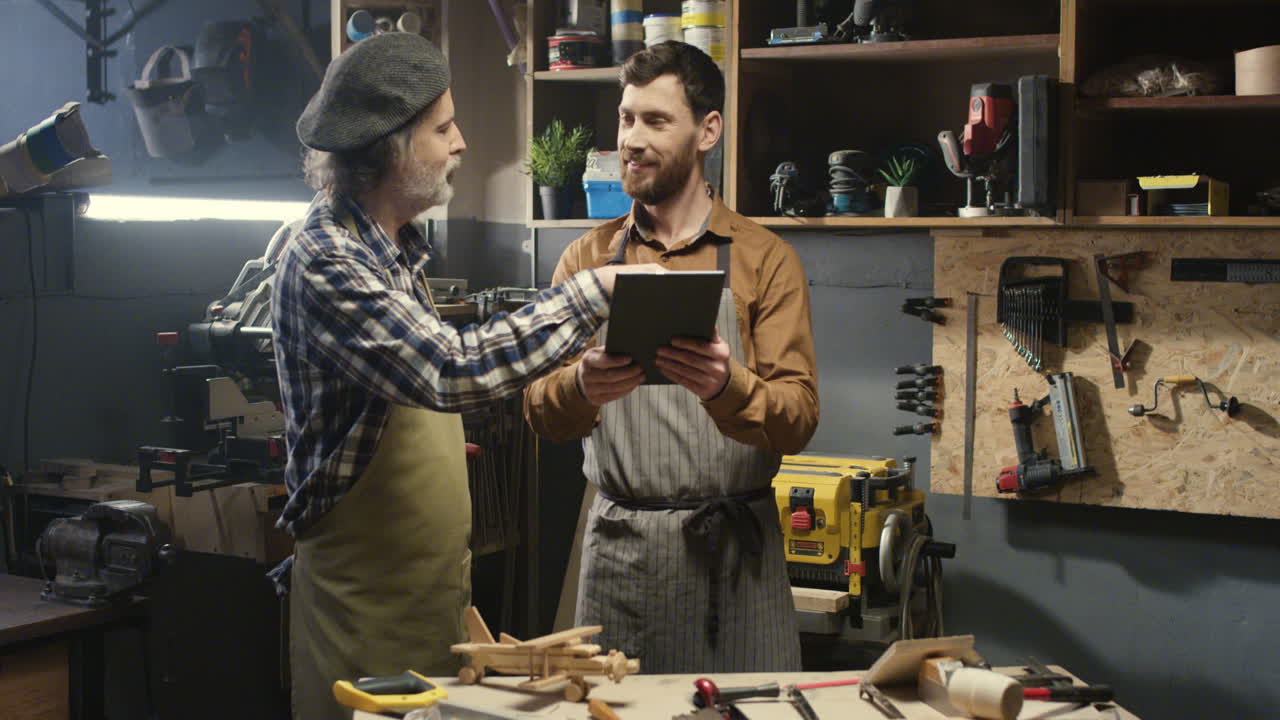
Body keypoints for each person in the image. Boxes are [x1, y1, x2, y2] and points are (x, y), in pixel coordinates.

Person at [273, 33, 658, 720]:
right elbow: (450, 369)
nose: (461, 144)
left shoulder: (392, 252)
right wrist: (594, 292)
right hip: (362, 617)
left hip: (426, 605)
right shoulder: (326, 259)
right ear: (391, 148)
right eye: (443, 128)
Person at [524, 41, 819, 673]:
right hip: (619, 561)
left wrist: (727, 387)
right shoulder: (586, 259)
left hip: (734, 565)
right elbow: (539, 412)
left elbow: (798, 418)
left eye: (656, 121)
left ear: (707, 130)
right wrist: (579, 386)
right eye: (627, 118)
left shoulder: (763, 259)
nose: (631, 139)